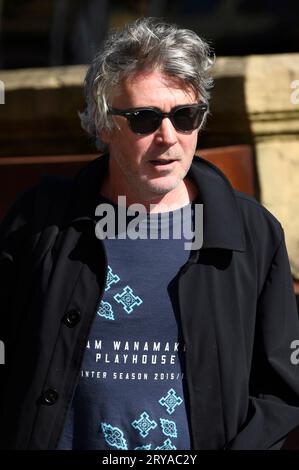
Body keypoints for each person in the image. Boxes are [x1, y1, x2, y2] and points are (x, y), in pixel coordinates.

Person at [1, 17, 299, 451]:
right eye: (143, 119)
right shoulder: (40, 221)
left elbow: (283, 387)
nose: (168, 137)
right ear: (103, 124)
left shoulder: (251, 234)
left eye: (185, 116)